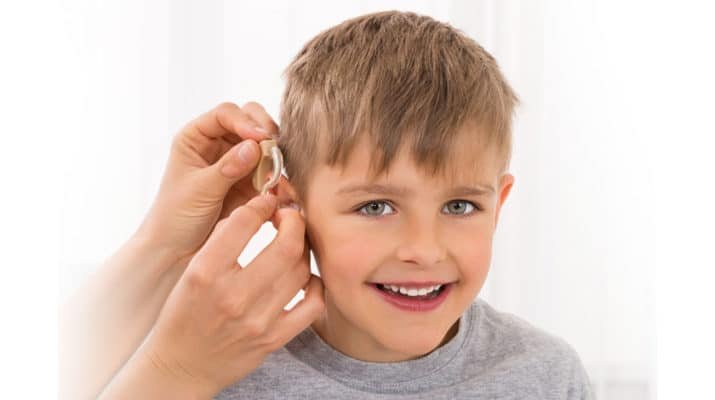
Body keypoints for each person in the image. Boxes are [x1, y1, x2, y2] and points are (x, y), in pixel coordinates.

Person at [62, 9, 594, 400]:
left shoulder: (546, 376)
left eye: (458, 207)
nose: (423, 249)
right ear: (292, 206)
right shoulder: (210, 362)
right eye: (376, 207)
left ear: (498, 205)